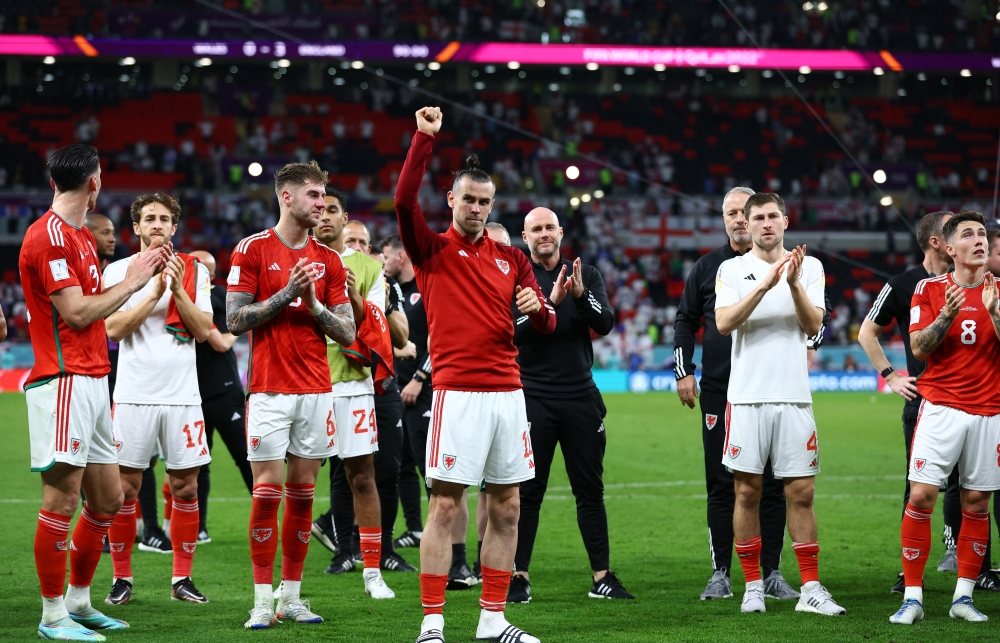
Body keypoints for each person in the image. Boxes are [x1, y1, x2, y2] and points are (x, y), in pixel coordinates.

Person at [395, 106, 555, 643]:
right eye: (469, 199)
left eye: (486, 202)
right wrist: (424, 139)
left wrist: (539, 308)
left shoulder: (512, 257)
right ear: (452, 200)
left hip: (509, 394)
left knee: (507, 506)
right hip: (457, 393)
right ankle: (433, 623)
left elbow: (548, 322)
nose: (478, 209)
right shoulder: (431, 250)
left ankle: (492, 621)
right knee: (445, 505)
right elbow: (401, 200)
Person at [20, 143, 167, 640]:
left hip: (93, 379)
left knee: (107, 499)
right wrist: (137, 280)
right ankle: (52, 614)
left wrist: (130, 277)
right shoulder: (50, 237)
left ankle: (80, 603)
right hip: (61, 382)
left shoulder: (82, 236)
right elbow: (79, 313)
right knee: (60, 499)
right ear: (95, 182)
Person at [226, 161, 356, 629]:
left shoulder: (332, 260)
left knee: (302, 497)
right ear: (287, 196)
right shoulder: (252, 249)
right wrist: (286, 295)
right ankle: (262, 598)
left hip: (317, 390)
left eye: (324, 197)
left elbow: (347, 332)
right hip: (267, 389)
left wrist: (315, 304)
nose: (322, 205)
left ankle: (292, 597)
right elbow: (234, 320)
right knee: (266, 494)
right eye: (314, 196)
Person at [715, 192, 845, 616]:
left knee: (801, 492)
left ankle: (810, 588)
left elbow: (813, 325)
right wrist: (766, 284)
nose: (766, 223)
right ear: (747, 225)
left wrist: (790, 283)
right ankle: (753, 585)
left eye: (774, 216)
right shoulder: (731, 269)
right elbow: (723, 322)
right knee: (747, 492)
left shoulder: (811, 267)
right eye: (759, 218)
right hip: (747, 398)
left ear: (786, 222)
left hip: (794, 397)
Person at [673, 187, 801, 601]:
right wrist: (683, 372)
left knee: (774, 483)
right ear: (725, 218)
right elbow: (684, 320)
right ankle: (721, 572)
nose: (739, 221)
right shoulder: (709, 267)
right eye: (731, 213)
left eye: (744, 214)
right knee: (722, 483)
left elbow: (818, 313)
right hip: (720, 389)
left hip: (772, 388)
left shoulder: (789, 265)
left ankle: (773, 572)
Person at [858, 212, 989, 591]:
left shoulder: (981, 282)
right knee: (920, 487)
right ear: (939, 242)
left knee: (972, 489)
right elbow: (869, 333)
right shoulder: (905, 284)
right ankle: (909, 574)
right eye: (955, 230)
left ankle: (966, 562)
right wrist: (891, 376)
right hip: (928, 399)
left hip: (979, 400)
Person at [507, 207, 632, 603]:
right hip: (533, 398)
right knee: (528, 493)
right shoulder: (515, 276)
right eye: (535, 229)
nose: (544, 234)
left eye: (549, 227)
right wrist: (551, 304)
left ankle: (602, 577)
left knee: (590, 492)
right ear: (524, 238)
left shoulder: (587, 275)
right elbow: (511, 334)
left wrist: (579, 295)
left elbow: (606, 323)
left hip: (580, 397)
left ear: (560, 232)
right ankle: (518, 576)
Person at [102, 193, 214, 606]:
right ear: (136, 227)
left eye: (164, 219)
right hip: (133, 395)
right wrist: (152, 293)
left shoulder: (194, 270)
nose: (157, 224)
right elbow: (112, 330)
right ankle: (122, 579)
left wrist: (176, 289)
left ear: (173, 227)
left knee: (185, 488)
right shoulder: (118, 270)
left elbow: (204, 331)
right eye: (148, 218)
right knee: (124, 491)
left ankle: (182, 579)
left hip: (183, 397)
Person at [890, 210, 1000, 625]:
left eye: (983, 235)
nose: (979, 241)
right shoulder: (929, 288)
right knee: (921, 496)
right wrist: (947, 315)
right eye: (969, 235)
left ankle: (963, 597)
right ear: (950, 249)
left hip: (990, 411)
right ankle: (913, 597)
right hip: (940, 408)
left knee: (976, 502)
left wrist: (993, 312)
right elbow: (919, 348)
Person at [309, 189, 401, 597]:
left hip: (351, 385)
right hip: (305, 382)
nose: (325, 216)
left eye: (333, 210)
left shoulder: (368, 267)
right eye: (320, 209)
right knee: (300, 483)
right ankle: (289, 584)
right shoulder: (295, 257)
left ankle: (371, 573)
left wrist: (357, 298)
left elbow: (379, 325)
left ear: (345, 219)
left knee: (362, 477)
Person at [190, 249, 254, 544]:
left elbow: (217, 342)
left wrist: (228, 334)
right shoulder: (180, 296)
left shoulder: (218, 296)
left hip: (224, 389)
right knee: (198, 463)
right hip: (191, 391)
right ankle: (198, 526)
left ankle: (263, 518)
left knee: (245, 456)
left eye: (200, 267)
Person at [380, 234, 432, 555]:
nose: (383, 264)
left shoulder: (426, 290)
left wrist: (419, 377)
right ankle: (414, 528)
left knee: (430, 468)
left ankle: (444, 534)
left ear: (400, 257)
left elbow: (440, 340)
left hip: (422, 391)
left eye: (385, 257)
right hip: (397, 389)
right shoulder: (394, 294)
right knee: (403, 465)